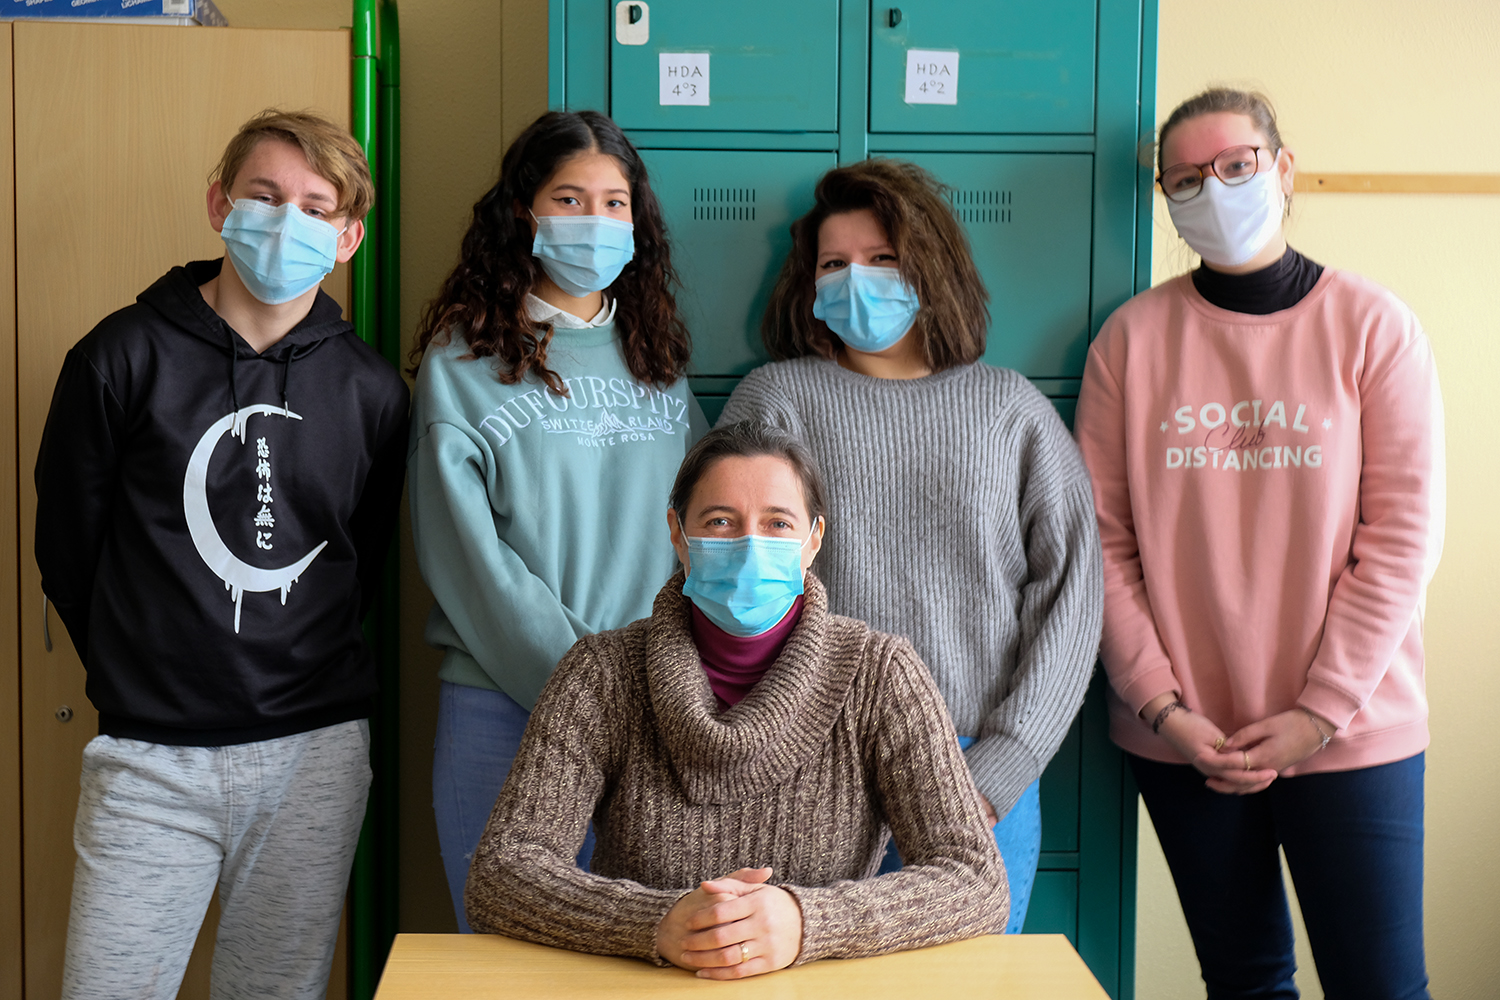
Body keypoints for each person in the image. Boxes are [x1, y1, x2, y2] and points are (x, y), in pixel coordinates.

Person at [1074, 88, 1443, 1000]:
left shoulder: (1373, 327)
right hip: (1189, 739)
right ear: (1164, 198)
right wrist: (1164, 710)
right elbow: (1102, 547)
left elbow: (1400, 538)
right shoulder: (1131, 341)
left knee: (1384, 986)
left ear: (1282, 169)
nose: (1216, 189)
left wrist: (1321, 711)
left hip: (1353, 732)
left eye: (1237, 165)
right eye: (1187, 179)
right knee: (1242, 983)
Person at [34, 109, 408, 1000]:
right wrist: (146, 668)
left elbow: (364, 560)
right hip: (149, 761)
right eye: (266, 196)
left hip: (311, 757)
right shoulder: (119, 356)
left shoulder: (373, 391)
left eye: (319, 208)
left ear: (350, 236)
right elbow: (68, 550)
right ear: (219, 203)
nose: (289, 222)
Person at [465, 421, 1009, 978]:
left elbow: (976, 878)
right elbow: (502, 873)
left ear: (813, 540)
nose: (751, 546)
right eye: (720, 522)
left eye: (777, 524)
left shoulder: (880, 677)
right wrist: (656, 921)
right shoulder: (600, 675)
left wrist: (807, 921)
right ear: (678, 534)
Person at [718, 159, 1102, 933]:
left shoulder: (1009, 409)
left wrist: (1000, 770)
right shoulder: (777, 399)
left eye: (881, 258)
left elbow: (1072, 596)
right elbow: (736, 583)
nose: (855, 279)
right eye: (834, 264)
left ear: (930, 265)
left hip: (980, 774)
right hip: (818, 770)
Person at [408, 109, 706, 931]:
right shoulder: (464, 361)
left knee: (646, 956)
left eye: (615, 203)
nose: (595, 222)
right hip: (503, 704)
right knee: (508, 957)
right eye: (569, 199)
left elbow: (705, 525)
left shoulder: (659, 358)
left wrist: (660, 683)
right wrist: (588, 685)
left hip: (658, 704)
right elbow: (465, 554)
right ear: (522, 213)